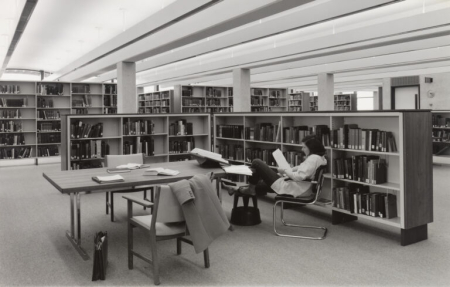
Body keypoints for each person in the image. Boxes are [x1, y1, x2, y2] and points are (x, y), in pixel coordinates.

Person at [224, 135, 327, 198]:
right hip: (301, 187)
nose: (302, 149)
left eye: (304, 147)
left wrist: (285, 170)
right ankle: (238, 188)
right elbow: (303, 168)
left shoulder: (313, 158)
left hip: (296, 188)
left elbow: (298, 177)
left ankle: (249, 189)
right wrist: (289, 169)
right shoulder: (321, 158)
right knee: (259, 184)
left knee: (256, 162)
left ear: (312, 148)